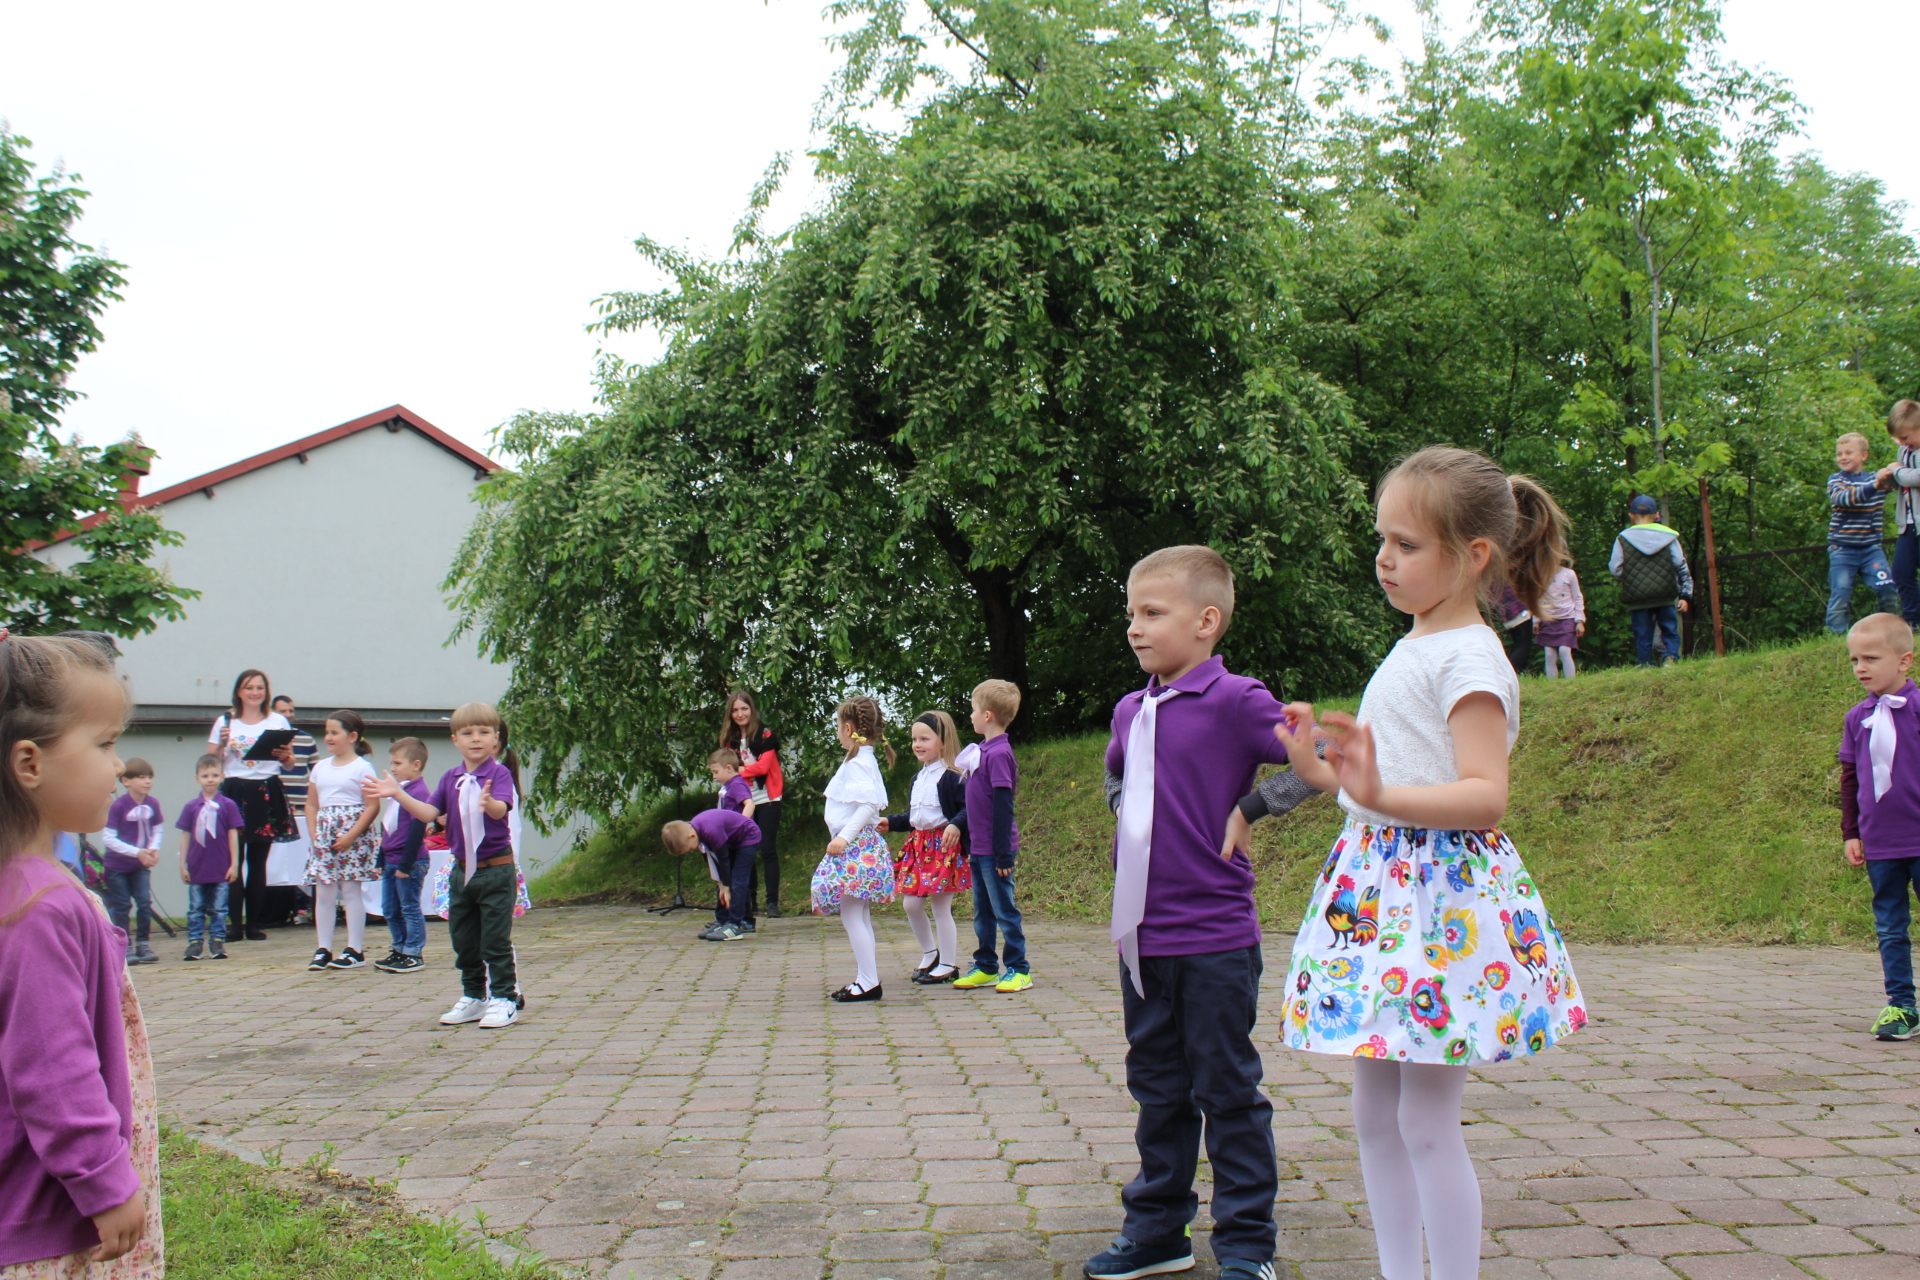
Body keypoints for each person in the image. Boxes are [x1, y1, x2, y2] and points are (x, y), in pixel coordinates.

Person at [1278, 447, 1586, 1280]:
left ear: (1474, 555)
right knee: (1375, 1116)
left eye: (1407, 544)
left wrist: (1378, 791)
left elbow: (1485, 796)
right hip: (1381, 892)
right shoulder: (1415, 642)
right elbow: (1383, 785)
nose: (1385, 558)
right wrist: (1324, 771)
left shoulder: (1470, 657)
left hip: (1436, 903)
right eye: (1382, 539)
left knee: (1424, 1123)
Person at [1081, 546, 1290, 1280]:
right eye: (1130, 614)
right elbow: (1116, 769)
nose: (1134, 628)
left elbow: (1321, 756)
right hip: (1141, 938)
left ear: (1206, 622)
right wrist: (1127, 811)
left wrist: (1253, 806)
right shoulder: (1129, 709)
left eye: (1152, 613)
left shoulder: (1236, 699)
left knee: (1226, 1091)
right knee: (1158, 1090)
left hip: (1214, 939)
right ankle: (1158, 1231)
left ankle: (1246, 1246)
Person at [0, 632, 162, 1272]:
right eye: (104, 744)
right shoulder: (39, 908)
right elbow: (51, 1066)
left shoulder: (27, 889)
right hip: (58, 1214)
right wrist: (104, 1180)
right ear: (29, 763)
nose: (119, 767)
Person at [366, 701, 524, 1029]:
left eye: (484, 732)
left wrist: (489, 803)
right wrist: (398, 794)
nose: (476, 738)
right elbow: (429, 813)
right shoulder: (450, 778)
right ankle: (474, 996)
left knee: (494, 939)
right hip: (461, 871)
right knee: (463, 938)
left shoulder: (499, 774)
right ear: (455, 740)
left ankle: (505, 998)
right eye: (468, 733)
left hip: (496, 869)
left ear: (496, 739)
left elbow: (502, 809)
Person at [1838, 613, 1920, 1040]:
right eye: (1855, 659)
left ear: (1904, 661)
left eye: (1871, 658)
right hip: (1881, 841)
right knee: (1890, 924)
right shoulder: (1857, 718)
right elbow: (1850, 778)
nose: (1861, 668)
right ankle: (1902, 1005)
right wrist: (1851, 832)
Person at [809, 696, 897, 1002]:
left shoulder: (858, 762)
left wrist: (844, 837)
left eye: (838, 727)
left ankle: (868, 981)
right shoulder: (862, 759)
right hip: (860, 846)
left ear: (848, 728)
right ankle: (865, 978)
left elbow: (868, 805)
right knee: (858, 915)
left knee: (851, 915)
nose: (838, 733)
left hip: (855, 848)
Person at [878, 711, 970, 984]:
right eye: (914, 739)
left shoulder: (954, 776)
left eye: (924, 739)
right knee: (911, 904)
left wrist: (956, 825)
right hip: (918, 847)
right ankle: (930, 953)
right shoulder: (918, 779)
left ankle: (948, 964)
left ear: (943, 741)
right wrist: (891, 822)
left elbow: (968, 808)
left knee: (941, 907)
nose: (917, 744)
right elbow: (915, 817)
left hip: (943, 847)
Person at [951, 680, 1030, 993]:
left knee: (1004, 910)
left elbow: (1002, 806)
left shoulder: (999, 754)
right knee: (982, 911)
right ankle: (985, 966)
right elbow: (975, 805)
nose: (970, 715)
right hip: (979, 848)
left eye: (973, 710)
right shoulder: (982, 751)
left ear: (987, 715)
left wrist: (1002, 853)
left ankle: (1019, 969)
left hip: (996, 850)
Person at [208, 669, 296, 941]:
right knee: (234, 859)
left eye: (259, 687)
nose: (255, 692)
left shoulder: (277, 720)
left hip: (265, 790)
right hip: (234, 790)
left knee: (258, 862)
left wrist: (284, 756)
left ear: (266, 692)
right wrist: (222, 745)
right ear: (239, 691)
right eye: (249, 687)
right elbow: (210, 762)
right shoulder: (225, 721)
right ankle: (235, 925)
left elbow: (290, 763)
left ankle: (254, 924)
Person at [302, 711, 381, 972]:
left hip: (352, 836)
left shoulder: (362, 767)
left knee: (350, 890)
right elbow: (311, 804)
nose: (328, 737)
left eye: (334, 732)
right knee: (324, 891)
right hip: (325, 835)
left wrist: (351, 835)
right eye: (327, 732)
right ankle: (323, 948)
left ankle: (354, 949)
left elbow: (372, 806)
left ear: (352, 736)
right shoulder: (320, 767)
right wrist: (314, 834)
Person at [720, 689, 784, 918]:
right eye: (735, 710)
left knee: (767, 848)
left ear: (751, 709)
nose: (740, 714)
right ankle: (750, 900)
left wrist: (738, 770)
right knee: (746, 848)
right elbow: (726, 771)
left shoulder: (765, 734)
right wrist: (744, 770)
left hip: (767, 797)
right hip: (742, 798)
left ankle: (772, 903)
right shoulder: (729, 740)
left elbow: (763, 767)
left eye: (744, 709)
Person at [1608, 495, 1693, 666]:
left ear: (1632, 515)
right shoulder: (1668, 536)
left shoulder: (1623, 538)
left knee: (1642, 632)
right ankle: (1671, 657)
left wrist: (1631, 577)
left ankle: (1645, 664)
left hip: (1638, 595)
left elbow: (1615, 567)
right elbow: (1678, 561)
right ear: (1656, 515)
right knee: (1669, 628)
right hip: (1665, 591)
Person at [1828, 432, 1899, 635]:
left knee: (1887, 587)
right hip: (1842, 549)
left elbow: (1897, 480)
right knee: (1841, 594)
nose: (1843, 457)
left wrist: (1892, 469)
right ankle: (1837, 637)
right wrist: (1875, 485)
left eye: (1849, 452)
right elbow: (1844, 499)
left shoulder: (1874, 478)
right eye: (1839, 454)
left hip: (1871, 549)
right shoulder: (1836, 480)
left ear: (1864, 455)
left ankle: (1889, 632)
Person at [373, 737, 431, 975]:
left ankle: (413, 953)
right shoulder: (398, 792)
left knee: (409, 908)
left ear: (415, 765)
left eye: (397, 763)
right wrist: (380, 858)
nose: (393, 768)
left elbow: (417, 831)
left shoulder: (418, 792)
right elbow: (388, 826)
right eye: (392, 763)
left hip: (409, 861)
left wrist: (406, 865)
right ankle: (399, 948)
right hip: (391, 859)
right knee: (390, 909)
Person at [178, 753, 243, 961]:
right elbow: (185, 835)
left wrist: (234, 863)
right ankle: (195, 942)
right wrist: (182, 864)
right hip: (197, 866)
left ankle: (217, 940)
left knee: (219, 907)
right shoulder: (191, 807)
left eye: (215, 775)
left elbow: (233, 835)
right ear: (197, 778)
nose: (210, 780)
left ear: (222, 776)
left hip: (220, 865)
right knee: (196, 907)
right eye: (205, 776)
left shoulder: (228, 805)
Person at [661, 808, 761, 942]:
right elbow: (713, 863)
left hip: (748, 837)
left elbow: (724, 860)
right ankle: (722, 920)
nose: (692, 851)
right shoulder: (698, 833)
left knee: (738, 881)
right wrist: (721, 885)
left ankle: (735, 925)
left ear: (691, 836)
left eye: (690, 849)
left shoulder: (711, 831)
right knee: (722, 886)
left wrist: (726, 887)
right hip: (730, 841)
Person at [102, 758, 164, 966]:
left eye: (149, 777)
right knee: (122, 905)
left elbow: (157, 830)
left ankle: (143, 944)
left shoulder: (153, 804)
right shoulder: (119, 806)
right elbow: (109, 839)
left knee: (144, 903)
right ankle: (124, 946)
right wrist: (137, 852)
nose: (147, 782)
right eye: (141, 777)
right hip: (117, 867)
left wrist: (153, 849)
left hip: (140, 866)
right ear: (126, 781)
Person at [1876, 400, 1920, 626]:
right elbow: (1904, 482)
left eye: (1905, 437)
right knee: (1901, 572)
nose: (1902, 443)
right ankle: (1913, 622)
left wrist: (1896, 470)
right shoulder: (1904, 450)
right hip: (1909, 523)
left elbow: (1916, 477)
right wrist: (1887, 479)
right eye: (1898, 439)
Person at [1535, 559, 1586, 678]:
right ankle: (1552, 685)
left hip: (1567, 618)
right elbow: (1537, 599)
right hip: (1548, 619)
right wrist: (1536, 620)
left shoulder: (1569, 574)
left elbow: (1577, 597)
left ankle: (1571, 682)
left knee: (1564, 651)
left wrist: (1579, 621)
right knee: (1549, 655)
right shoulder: (1540, 575)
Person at [709, 749, 756, 818]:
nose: (714, 777)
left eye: (716, 772)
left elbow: (750, 804)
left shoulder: (736, 784)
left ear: (729, 768)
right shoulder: (731, 784)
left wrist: (742, 822)